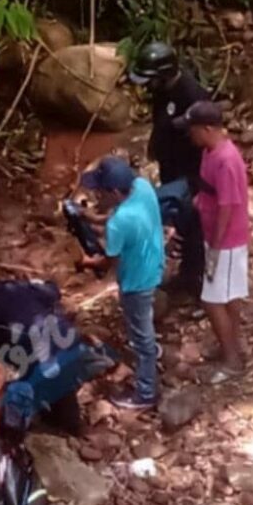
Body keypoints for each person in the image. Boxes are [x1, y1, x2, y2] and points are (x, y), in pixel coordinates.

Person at [0, 278, 114, 432]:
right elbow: (53, 291)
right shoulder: (14, 287)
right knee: (61, 383)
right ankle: (70, 425)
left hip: (36, 358)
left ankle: (23, 432)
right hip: (65, 341)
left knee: (14, 408)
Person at [173, 101, 250, 383]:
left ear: (207, 128)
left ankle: (233, 361)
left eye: (192, 129)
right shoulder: (210, 152)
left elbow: (229, 205)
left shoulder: (226, 160)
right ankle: (232, 344)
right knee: (228, 296)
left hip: (227, 241)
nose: (189, 135)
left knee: (211, 300)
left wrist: (216, 248)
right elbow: (212, 191)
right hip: (215, 235)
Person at [80, 157, 165, 410]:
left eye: (100, 191)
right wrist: (93, 219)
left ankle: (146, 392)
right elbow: (118, 217)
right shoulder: (142, 187)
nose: (96, 195)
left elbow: (109, 262)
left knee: (141, 336)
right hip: (154, 263)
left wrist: (87, 261)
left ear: (114, 192)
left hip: (135, 281)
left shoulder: (120, 223)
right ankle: (150, 350)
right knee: (143, 322)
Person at [130, 41, 209, 296]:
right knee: (181, 221)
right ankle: (187, 273)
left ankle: (198, 282)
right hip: (171, 167)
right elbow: (162, 121)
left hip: (192, 171)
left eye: (150, 80)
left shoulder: (192, 95)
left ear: (163, 75)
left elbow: (206, 141)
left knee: (196, 225)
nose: (146, 87)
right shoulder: (162, 91)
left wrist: (200, 184)